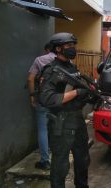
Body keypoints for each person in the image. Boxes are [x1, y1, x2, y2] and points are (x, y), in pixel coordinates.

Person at [39, 32, 91, 188]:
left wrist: (87, 95)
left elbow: (76, 90)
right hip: (61, 124)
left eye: (73, 45)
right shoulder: (51, 70)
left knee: (83, 160)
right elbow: (48, 99)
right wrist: (76, 93)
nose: (72, 48)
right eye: (68, 46)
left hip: (77, 120)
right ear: (58, 48)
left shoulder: (71, 67)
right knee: (60, 165)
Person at [27, 42, 56, 170]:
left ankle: (45, 161)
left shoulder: (39, 60)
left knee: (43, 129)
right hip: (59, 100)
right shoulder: (64, 61)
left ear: (47, 49)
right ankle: (58, 156)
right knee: (56, 127)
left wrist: (32, 95)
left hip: (43, 99)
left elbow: (30, 79)